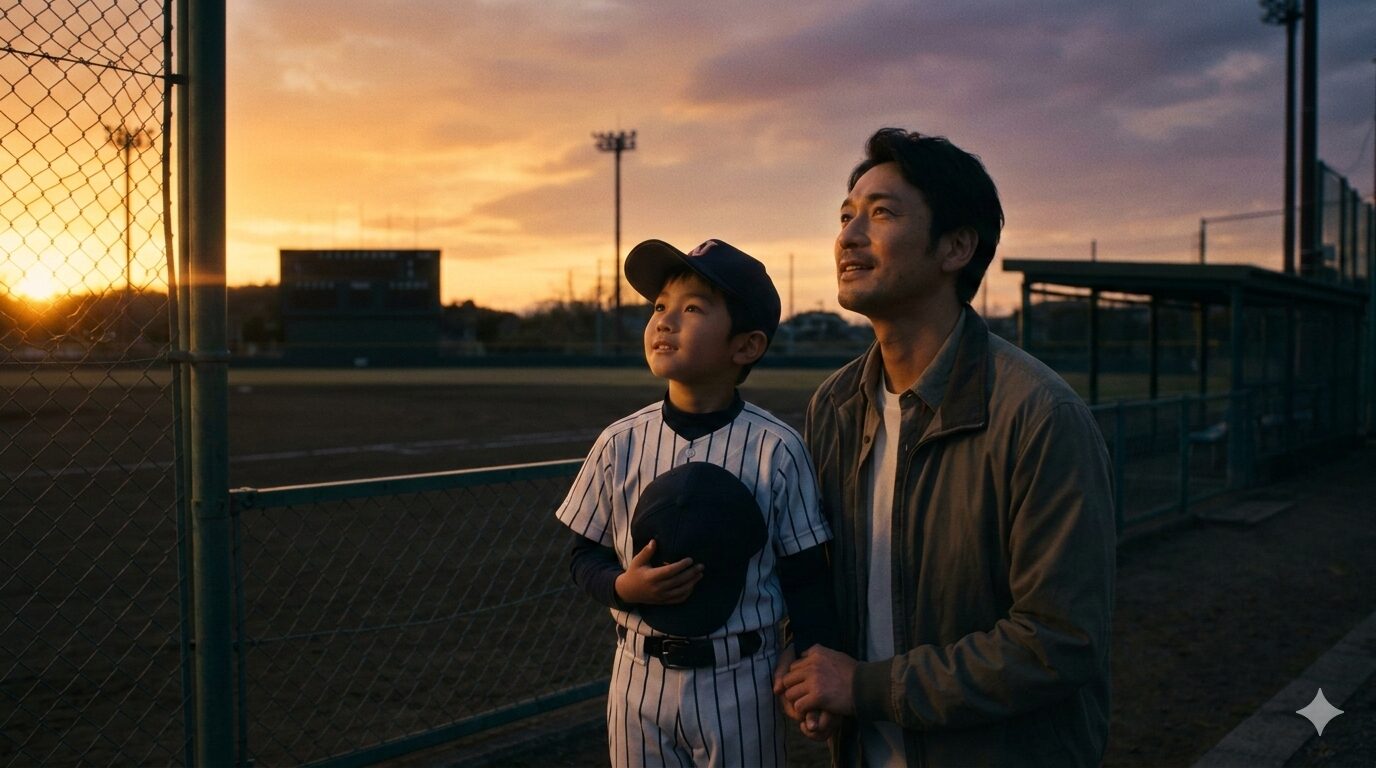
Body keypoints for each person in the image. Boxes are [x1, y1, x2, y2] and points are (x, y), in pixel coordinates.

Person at [775, 128, 1116, 767]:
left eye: (880, 213)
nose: (848, 236)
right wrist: (813, 666)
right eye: (845, 215)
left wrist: (864, 687)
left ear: (957, 246)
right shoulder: (835, 406)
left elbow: (1058, 641)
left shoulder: (1040, 415)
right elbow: (823, 578)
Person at [555, 238, 838, 768]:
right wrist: (621, 586)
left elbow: (806, 574)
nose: (664, 321)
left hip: (741, 678)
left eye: (691, 309)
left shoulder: (776, 448)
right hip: (637, 675)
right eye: (659, 306)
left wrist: (810, 656)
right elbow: (581, 555)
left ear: (746, 346)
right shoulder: (620, 442)